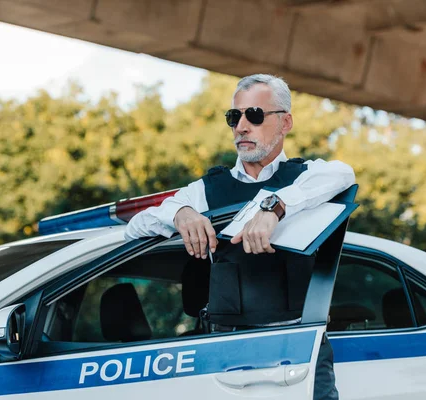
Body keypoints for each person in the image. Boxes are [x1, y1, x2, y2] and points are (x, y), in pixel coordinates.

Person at [125, 74, 354, 400]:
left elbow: (343, 174)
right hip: (225, 355)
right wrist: (180, 214)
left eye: (255, 115)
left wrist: (274, 206)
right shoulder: (206, 190)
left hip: (298, 352)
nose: (241, 127)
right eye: (234, 117)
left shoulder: (304, 178)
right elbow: (137, 226)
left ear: (285, 122)